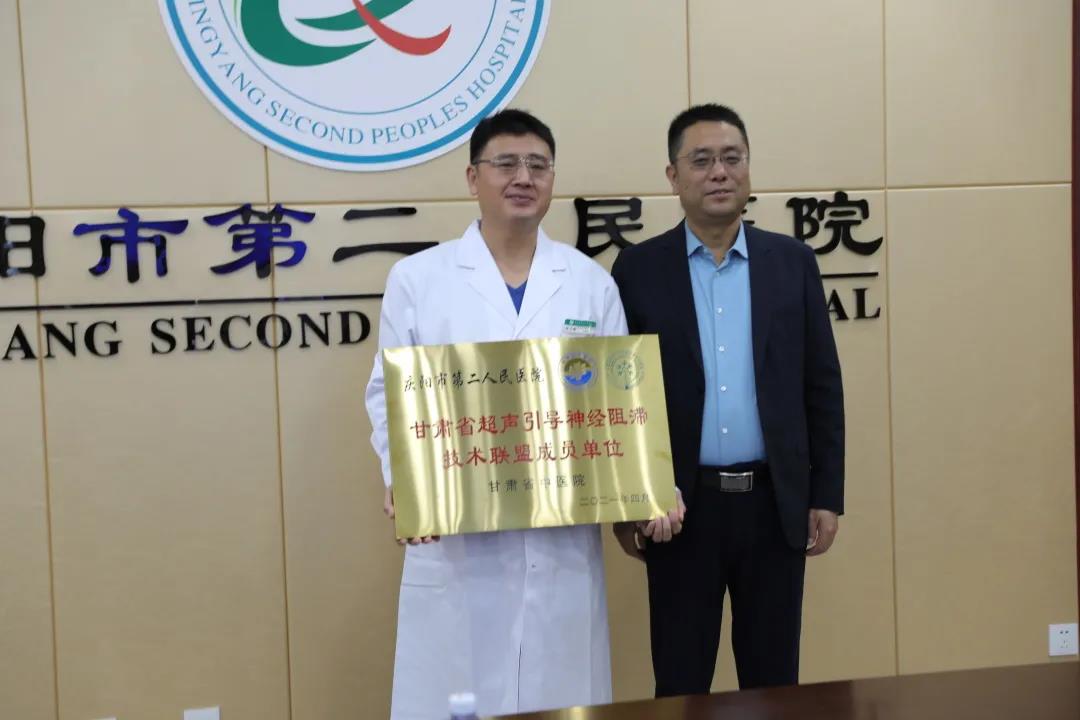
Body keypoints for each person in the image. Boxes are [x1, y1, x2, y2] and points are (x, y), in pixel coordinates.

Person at [365, 109, 632, 719]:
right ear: (472, 178)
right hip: (457, 539)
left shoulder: (590, 283)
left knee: (560, 695)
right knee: (457, 696)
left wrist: (643, 486)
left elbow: (619, 403)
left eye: (538, 165)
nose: (523, 177)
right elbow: (388, 393)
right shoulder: (418, 279)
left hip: (560, 541)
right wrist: (404, 477)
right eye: (506, 163)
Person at [610, 103, 845, 695]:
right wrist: (628, 504)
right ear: (673, 176)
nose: (719, 172)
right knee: (680, 682)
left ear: (748, 168)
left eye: (731, 158)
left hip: (774, 505)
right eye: (702, 160)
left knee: (774, 682)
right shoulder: (637, 270)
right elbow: (620, 396)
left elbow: (822, 385)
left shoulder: (792, 263)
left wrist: (825, 494)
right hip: (680, 510)